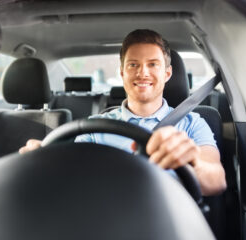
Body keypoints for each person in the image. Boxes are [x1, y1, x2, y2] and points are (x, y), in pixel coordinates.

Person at [19, 29, 226, 196]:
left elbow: (216, 181)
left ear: (167, 73)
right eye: (133, 64)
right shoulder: (95, 127)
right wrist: (46, 161)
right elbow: (75, 172)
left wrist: (192, 161)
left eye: (153, 64)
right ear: (122, 72)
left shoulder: (192, 123)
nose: (143, 72)